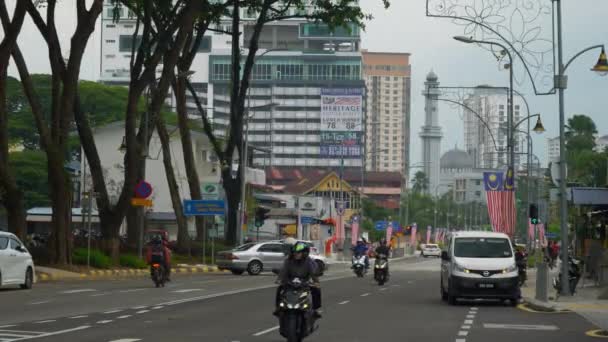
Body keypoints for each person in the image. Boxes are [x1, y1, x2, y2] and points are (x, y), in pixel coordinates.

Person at [274, 241, 322, 319]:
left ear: (305, 253)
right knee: (280, 289)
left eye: (298, 252)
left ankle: (315, 309)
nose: (296, 254)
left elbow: (313, 272)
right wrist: (279, 279)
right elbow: (283, 271)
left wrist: (316, 282)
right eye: (294, 252)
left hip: (304, 282)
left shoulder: (309, 262)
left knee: (316, 290)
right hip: (290, 281)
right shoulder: (288, 261)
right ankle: (278, 308)